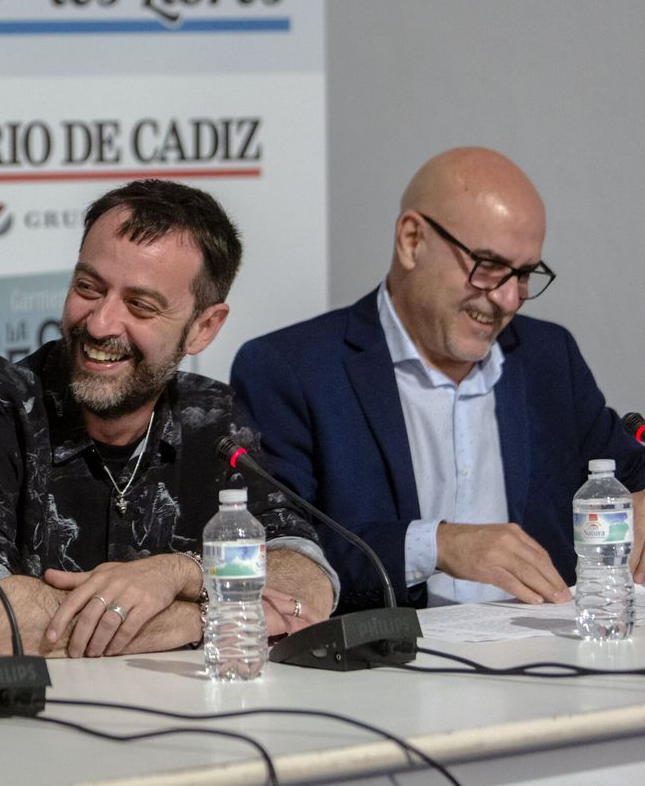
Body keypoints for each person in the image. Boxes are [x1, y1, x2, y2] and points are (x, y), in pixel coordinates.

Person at [0, 180, 337, 660]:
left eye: (140, 305)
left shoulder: (216, 422)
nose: (100, 323)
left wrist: (181, 573)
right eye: (88, 287)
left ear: (204, 327)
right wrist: (210, 615)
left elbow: (308, 584)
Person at [232, 147, 645, 611]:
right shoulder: (292, 368)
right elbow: (275, 551)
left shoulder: (549, 357)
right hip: (383, 673)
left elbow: (625, 471)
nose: (508, 299)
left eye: (525, 274)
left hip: (547, 657)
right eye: (487, 266)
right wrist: (437, 546)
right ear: (411, 240)